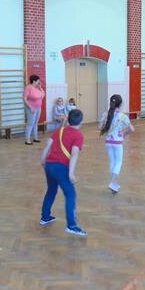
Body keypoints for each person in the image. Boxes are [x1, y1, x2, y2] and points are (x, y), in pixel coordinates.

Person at [39, 109, 87, 237]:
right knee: (70, 194)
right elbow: (74, 154)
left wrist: (43, 160)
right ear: (81, 122)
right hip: (61, 168)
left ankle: (45, 217)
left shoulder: (59, 131)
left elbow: (48, 145)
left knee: (51, 191)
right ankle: (72, 226)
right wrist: (71, 173)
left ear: (68, 120)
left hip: (49, 165)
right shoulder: (78, 135)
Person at [99, 94, 134, 193]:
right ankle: (113, 182)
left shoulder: (106, 114)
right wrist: (124, 134)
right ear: (121, 104)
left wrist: (104, 126)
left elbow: (100, 127)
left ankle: (114, 183)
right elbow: (132, 129)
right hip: (117, 142)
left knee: (112, 162)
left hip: (108, 142)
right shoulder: (123, 116)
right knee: (118, 162)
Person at [23, 75, 45, 145]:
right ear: (34, 81)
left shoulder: (37, 88)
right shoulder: (28, 88)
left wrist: (40, 87)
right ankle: (27, 140)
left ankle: (35, 138)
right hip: (31, 109)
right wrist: (31, 107)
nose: (39, 82)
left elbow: (43, 95)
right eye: (38, 80)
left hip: (38, 108)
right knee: (30, 124)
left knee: (35, 123)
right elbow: (25, 99)